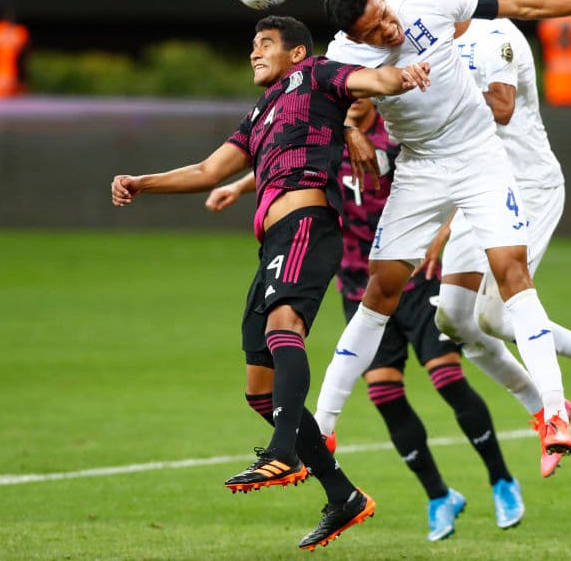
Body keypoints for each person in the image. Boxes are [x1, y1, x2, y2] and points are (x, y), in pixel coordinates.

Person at [313, 0, 571, 477]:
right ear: (352, 35)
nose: (389, 28)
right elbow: (330, 103)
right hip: (420, 169)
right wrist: (349, 126)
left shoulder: (435, 4)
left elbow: (525, 4)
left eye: (385, 13)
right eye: (373, 29)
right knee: (388, 294)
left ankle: (554, 414)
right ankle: (322, 427)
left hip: (482, 160)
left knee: (510, 277)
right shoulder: (344, 57)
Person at [110, 15, 431, 551]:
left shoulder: (321, 76)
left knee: (287, 325)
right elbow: (210, 170)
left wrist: (404, 75)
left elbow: (373, 81)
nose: (254, 53)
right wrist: (144, 182)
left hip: (308, 223)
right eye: (251, 46)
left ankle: (284, 453)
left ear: (298, 53)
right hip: (273, 243)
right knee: (260, 389)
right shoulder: (260, 112)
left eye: (266, 45)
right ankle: (343, 494)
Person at [206, 97, 525, 542]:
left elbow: (456, 171)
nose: (353, 97)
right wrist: (238, 187)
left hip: (411, 275)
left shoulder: (399, 132)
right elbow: (286, 168)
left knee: (445, 375)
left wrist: (445, 230)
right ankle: (439, 496)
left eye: (361, 88)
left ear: (374, 93)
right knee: (384, 392)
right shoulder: (327, 135)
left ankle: (501, 479)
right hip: (359, 285)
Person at [398, 0, 571, 479]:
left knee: (497, 316)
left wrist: (420, 93)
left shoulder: (495, 34)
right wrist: (444, 221)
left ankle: (562, 396)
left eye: (420, 0)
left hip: (527, 186)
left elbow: (499, 108)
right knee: (453, 318)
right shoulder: (423, 42)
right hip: (474, 189)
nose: (412, 13)